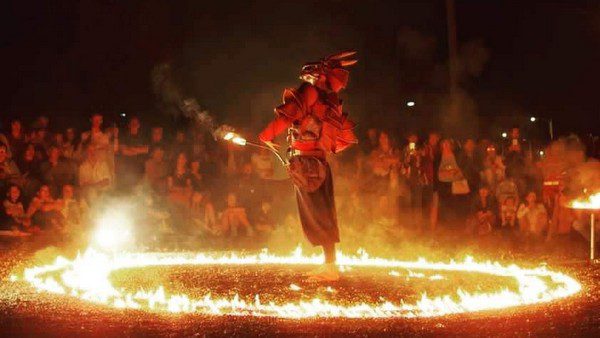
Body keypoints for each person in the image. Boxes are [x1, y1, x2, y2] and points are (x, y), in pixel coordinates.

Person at [258, 50, 358, 281]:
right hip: (318, 162)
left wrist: (265, 135)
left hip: (307, 164)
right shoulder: (329, 98)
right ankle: (330, 265)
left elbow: (288, 116)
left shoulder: (312, 92)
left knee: (319, 214)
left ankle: (330, 269)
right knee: (322, 212)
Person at [118, 116, 149, 190]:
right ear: (129, 125)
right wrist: (139, 150)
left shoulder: (143, 137)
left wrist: (131, 149)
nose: (134, 125)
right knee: (128, 190)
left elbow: (146, 150)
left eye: (136, 123)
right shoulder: (124, 136)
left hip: (140, 168)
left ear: (139, 125)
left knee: (139, 189)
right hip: (127, 168)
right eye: (132, 123)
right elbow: (124, 151)